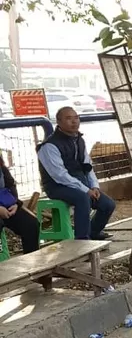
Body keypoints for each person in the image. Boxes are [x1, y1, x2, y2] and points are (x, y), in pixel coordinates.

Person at [37, 107, 116, 240]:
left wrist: (94, 186)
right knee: (82, 199)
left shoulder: (79, 140)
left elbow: (87, 166)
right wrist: (85, 190)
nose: (74, 122)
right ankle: (82, 241)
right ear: (59, 122)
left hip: (80, 183)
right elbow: (59, 175)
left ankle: (93, 233)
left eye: (76, 117)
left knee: (108, 204)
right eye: (68, 119)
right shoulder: (49, 146)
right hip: (57, 186)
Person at [0, 155, 40, 254]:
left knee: (30, 223)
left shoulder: (2, 168)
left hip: (7, 206)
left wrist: (16, 204)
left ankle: (32, 261)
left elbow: (11, 186)